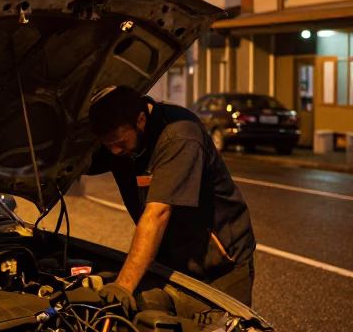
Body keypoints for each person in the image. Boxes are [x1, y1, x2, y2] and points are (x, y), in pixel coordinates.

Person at [86, 85, 256, 311]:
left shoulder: (180, 135)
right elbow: (73, 165)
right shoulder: (120, 141)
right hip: (170, 263)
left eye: (119, 142)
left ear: (140, 120)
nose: (115, 151)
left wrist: (123, 286)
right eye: (108, 145)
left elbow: (157, 214)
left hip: (220, 265)